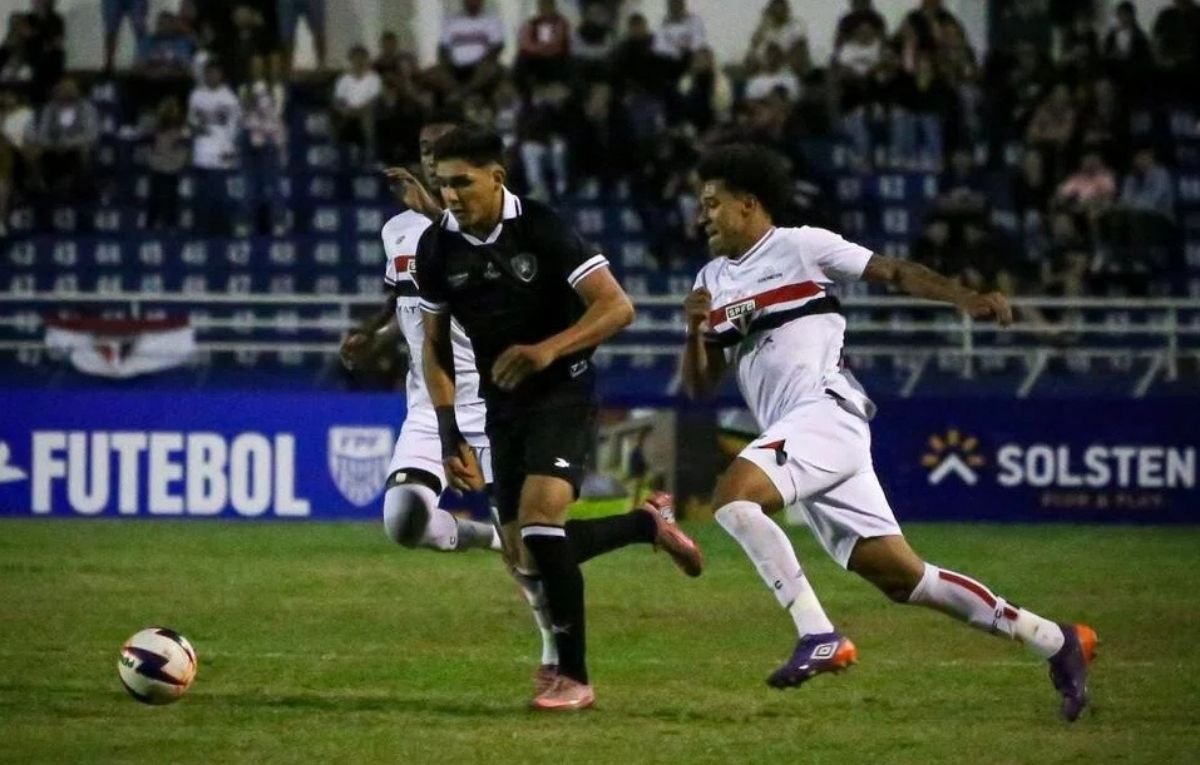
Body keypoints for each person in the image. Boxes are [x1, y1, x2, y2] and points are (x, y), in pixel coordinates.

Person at [680, 143, 1097, 722]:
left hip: (826, 412)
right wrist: (695, 329)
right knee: (905, 579)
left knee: (732, 498)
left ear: (748, 205)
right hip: (802, 434)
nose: (702, 216)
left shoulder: (803, 246)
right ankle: (1056, 640)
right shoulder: (712, 279)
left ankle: (817, 633)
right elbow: (700, 387)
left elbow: (893, 271)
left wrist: (963, 298)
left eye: (712, 203)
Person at [344, 120, 702, 708]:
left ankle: (575, 678)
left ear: (496, 176)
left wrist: (547, 350)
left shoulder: (541, 227)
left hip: (563, 389)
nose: (452, 196)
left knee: (539, 519)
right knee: (528, 552)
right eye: (442, 184)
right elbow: (432, 346)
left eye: (462, 183)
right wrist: (449, 430)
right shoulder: (438, 246)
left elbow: (618, 307)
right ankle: (645, 524)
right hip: (496, 402)